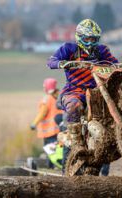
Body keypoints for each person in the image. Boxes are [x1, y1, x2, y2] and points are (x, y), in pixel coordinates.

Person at [47, 19, 116, 176]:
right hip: (74, 90)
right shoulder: (69, 48)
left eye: (94, 39)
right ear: (79, 37)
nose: (91, 42)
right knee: (74, 106)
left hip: (98, 91)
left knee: (116, 99)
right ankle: (78, 144)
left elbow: (114, 63)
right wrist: (62, 64)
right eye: (87, 38)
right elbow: (50, 61)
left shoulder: (102, 51)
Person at [30, 78, 64, 169]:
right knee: (57, 149)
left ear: (47, 87)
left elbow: (42, 113)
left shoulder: (46, 99)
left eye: (44, 86)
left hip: (48, 132)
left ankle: (52, 166)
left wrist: (34, 123)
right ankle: (57, 165)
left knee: (50, 150)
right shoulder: (58, 97)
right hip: (58, 128)